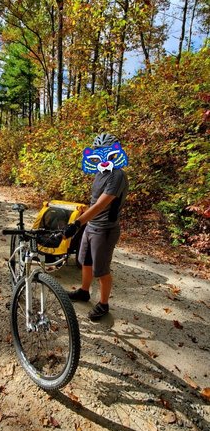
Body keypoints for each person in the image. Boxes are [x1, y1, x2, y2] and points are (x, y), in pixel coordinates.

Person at [64, 132, 129, 322]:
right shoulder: (101, 172)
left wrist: (76, 224)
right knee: (85, 262)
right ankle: (84, 292)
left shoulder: (117, 176)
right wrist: (85, 211)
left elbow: (102, 205)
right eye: (99, 151)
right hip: (91, 226)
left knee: (101, 270)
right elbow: (95, 201)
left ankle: (103, 304)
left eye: (106, 151)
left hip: (105, 229)